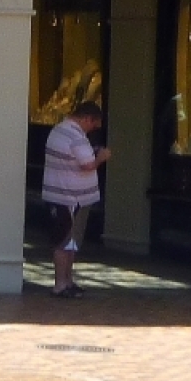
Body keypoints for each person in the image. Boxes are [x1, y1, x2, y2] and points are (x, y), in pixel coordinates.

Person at [42, 100, 111, 298]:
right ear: (87, 118)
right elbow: (87, 164)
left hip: (62, 194)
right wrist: (101, 157)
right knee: (64, 240)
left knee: (68, 241)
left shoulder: (58, 130)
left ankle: (67, 281)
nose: (92, 129)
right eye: (93, 125)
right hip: (70, 197)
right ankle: (61, 284)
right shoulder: (76, 136)